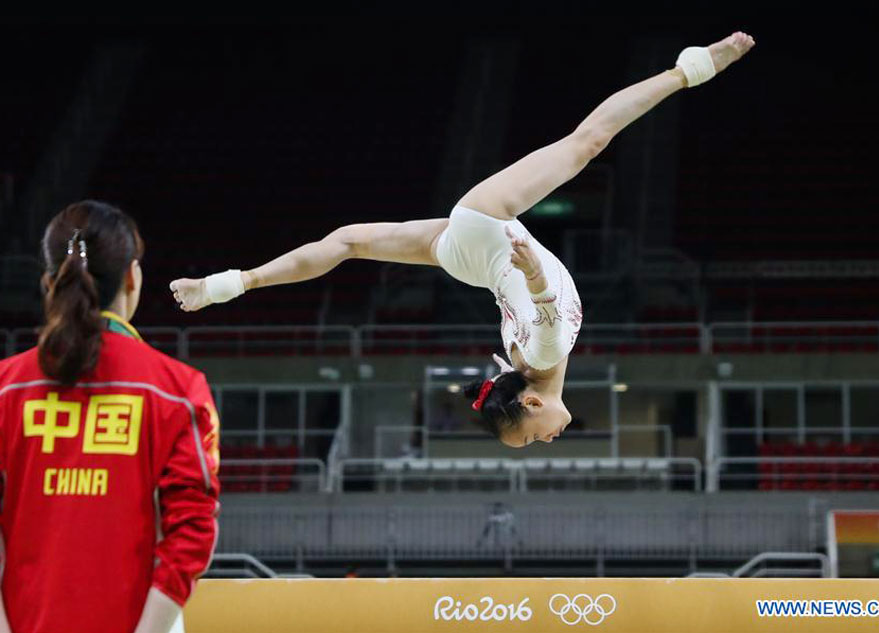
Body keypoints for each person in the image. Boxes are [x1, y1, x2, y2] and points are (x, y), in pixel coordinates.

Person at [170, 33, 755, 448]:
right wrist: (520, 279)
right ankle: (229, 284)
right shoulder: (526, 366)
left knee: (587, 142)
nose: (546, 441)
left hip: (486, 231)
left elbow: (547, 310)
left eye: (530, 441)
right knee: (347, 242)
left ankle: (692, 68)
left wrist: (527, 269)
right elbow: (530, 328)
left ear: (530, 403)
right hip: (468, 261)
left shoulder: (545, 361)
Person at [0, 201, 221, 633]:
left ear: (50, 283)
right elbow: (192, 533)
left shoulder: (7, 388)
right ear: (132, 279)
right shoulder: (176, 390)